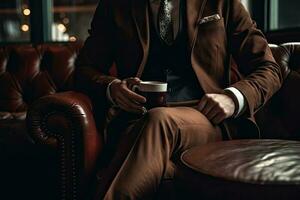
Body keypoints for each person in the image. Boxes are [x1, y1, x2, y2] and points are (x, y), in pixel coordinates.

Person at [75, 0, 283, 199]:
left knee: (159, 120)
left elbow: (269, 69)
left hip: (207, 118)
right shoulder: (115, 5)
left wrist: (233, 98)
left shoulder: (221, 2)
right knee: (158, 154)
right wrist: (112, 88)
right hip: (137, 120)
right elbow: (84, 71)